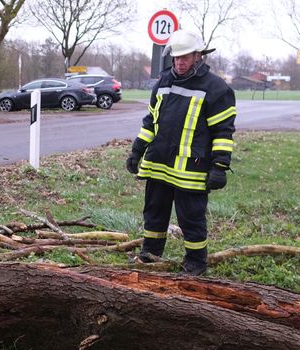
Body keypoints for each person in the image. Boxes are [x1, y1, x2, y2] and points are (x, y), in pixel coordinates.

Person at [126, 30, 236, 275]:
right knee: (154, 212)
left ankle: (196, 262)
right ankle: (150, 254)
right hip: (158, 164)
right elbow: (151, 121)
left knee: (191, 218)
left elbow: (223, 131)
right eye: (176, 58)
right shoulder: (164, 82)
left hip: (191, 169)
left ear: (198, 56)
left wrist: (219, 166)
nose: (179, 62)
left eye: (184, 57)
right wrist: (137, 150)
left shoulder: (217, 88)